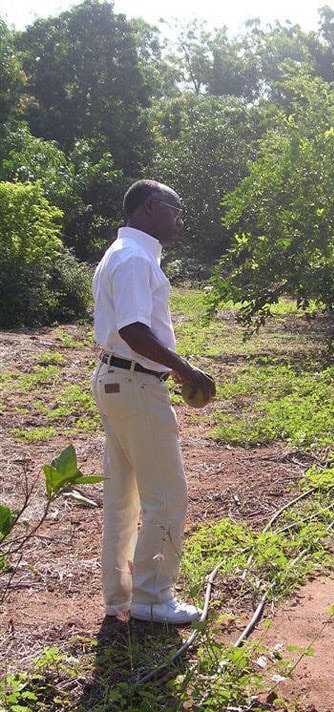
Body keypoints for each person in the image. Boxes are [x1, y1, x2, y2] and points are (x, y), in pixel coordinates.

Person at [91, 179, 216, 624]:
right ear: (149, 208)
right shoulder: (133, 259)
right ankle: (151, 596)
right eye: (173, 210)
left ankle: (121, 597)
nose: (178, 218)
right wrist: (187, 370)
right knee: (167, 496)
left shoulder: (126, 254)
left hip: (119, 382)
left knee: (123, 496)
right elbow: (134, 331)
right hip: (136, 384)